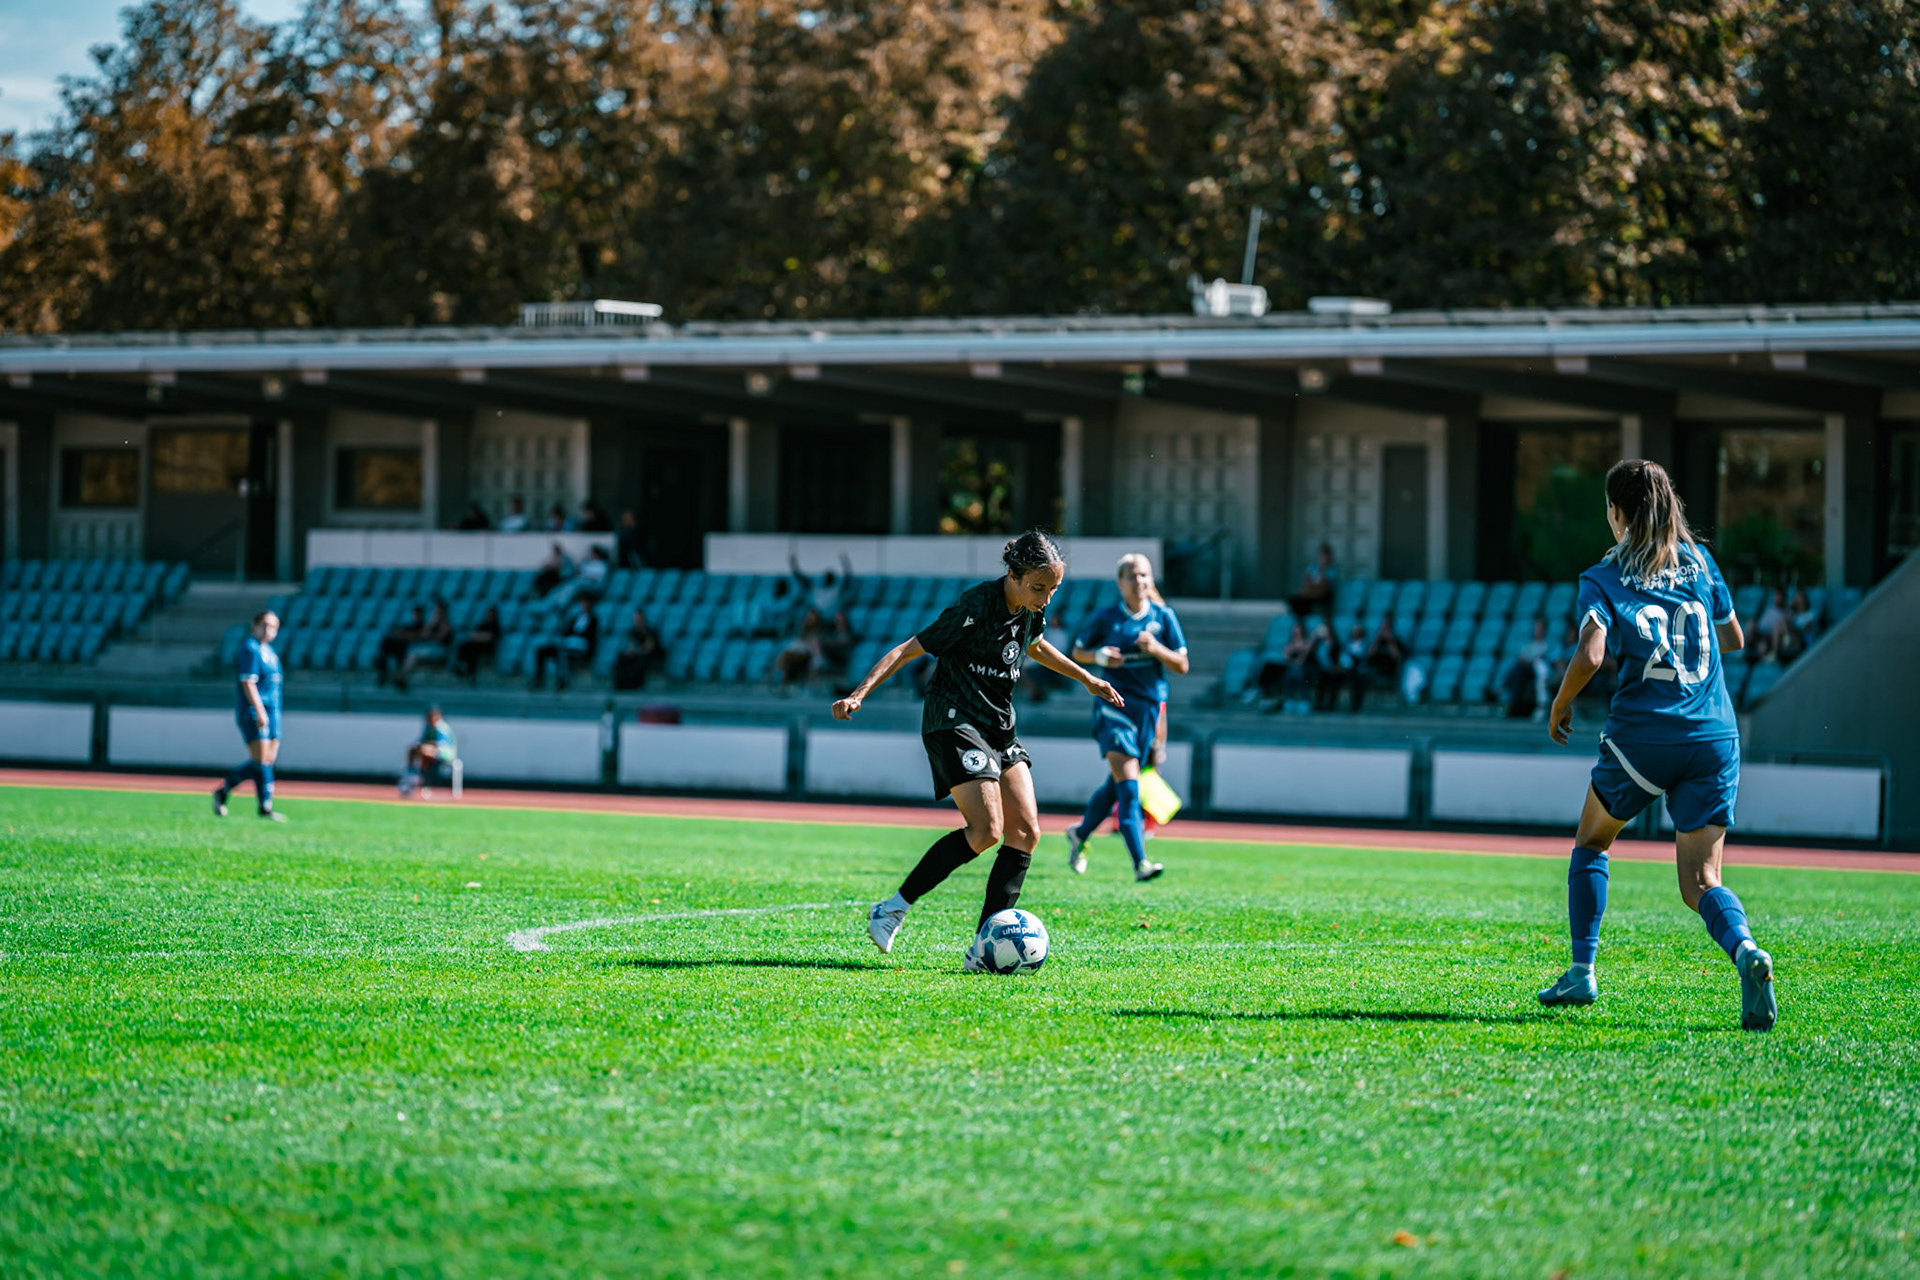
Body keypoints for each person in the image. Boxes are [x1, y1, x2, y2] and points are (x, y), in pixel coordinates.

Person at [1537, 458, 1775, 1032]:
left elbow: (1593, 655)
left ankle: (1581, 970)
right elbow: (1735, 638)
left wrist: (1560, 703)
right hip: (1713, 734)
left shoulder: (1603, 576)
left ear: (1617, 513)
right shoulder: (1698, 559)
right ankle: (1745, 951)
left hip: (1644, 736)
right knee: (1702, 884)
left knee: (1593, 841)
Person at [835, 531, 1122, 968]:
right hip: (954, 719)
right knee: (987, 830)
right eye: (1039, 588)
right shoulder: (976, 606)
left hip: (998, 728)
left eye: (1054, 590)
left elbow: (1035, 645)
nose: (1046, 598)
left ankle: (982, 951)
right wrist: (859, 693)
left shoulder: (1029, 610)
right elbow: (909, 649)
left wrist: (1087, 679)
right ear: (1013, 575)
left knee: (1025, 832)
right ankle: (892, 908)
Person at [1061, 553, 1189, 882]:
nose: (1140, 582)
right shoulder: (1106, 617)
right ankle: (1140, 862)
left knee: (1117, 784)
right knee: (1129, 787)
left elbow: (1182, 665)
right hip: (1112, 707)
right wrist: (1099, 656)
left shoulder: (1164, 616)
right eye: (1132, 576)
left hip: (1146, 710)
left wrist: (1157, 650)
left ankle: (1080, 833)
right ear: (1120, 583)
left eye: (1145, 575)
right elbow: (1077, 651)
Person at [213, 610, 286, 821]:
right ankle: (265, 806)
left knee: (266, 761)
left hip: (274, 712)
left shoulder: (270, 652)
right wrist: (260, 710)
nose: (269, 630)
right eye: (265, 625)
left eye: (273, 627)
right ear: (254, 625)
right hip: (255, 710)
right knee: (261, 760)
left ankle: (224, 790)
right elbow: (248, 682)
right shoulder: (250, 648)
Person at [530, 595, 599, 690]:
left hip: (580, 646)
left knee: (562, 653)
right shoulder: (575, 618)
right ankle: (539, 679)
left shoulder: (593, 619)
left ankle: (562, 679)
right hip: (568, 643)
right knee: (542, 651)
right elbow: (566, 632)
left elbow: (591, 637)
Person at [394, 599, 453, 693]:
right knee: (411, 653)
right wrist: (430, 625)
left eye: (439, 611)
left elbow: (439, 638)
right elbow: (423, 635)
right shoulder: (431, 624)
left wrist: (431, 633)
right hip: (429, 649)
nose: (437, 613)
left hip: (439, 651)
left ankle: (402, 677)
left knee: (414, 655)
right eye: (436, 611)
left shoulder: (446, 624)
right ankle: (402, 677)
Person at [398, 707, 458, 798]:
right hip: (430, 752)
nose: (430, 719)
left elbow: (441, 745)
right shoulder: (428, 727)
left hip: (445, 753)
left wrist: (427, 746)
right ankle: (410, 773)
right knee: (413, 749)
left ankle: (420, 777)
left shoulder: (442, 728)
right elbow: (421, 740)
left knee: (425, 751)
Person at [612, 607, 664, 690]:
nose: (637, 620)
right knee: (622, 658)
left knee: (640, 660)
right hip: (636, 654)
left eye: (639, 618)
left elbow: (649, 648)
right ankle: (621, 683)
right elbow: (630, 645)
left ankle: (636, 683)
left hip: (647, 655)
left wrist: (636, 652)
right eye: (636, 618)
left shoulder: (649, 631)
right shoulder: (633, 631)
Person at [374, 605, 425, 687]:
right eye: (415, 614)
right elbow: (400, 632)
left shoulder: (423, 626)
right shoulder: (411, 625)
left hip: (408, 647)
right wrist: (404, 634)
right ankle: (383, 670)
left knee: (391, 644)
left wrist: (407, 635)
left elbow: (417, 636)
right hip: (400, 646)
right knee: (386, 641)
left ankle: (390, 673)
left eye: (418, 614)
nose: (416, 616)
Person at [451, 605, 501, 682]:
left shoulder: (495, 626)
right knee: (464, 646)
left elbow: (490, 637)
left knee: (472, 650)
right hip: (477, 645)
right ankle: (462, 666)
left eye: (491, 615)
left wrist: (480, 636)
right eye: (488, 615)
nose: (489, 617)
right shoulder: (483, 625)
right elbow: (473, 634)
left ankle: (471, 673)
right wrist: (481, 636)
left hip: (487, 648)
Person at [1288, 543, 1338, 619]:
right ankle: (1301, 618)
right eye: (1322, 556)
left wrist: (1313, 587)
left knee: (1309, 596)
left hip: (1324, 595)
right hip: (1312, 592)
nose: (1323, 559)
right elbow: (1307, 580)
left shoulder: (1332, 570)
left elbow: (1323, 585)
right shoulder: (1314, 567)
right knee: (1294, 599)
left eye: (1325, 556)